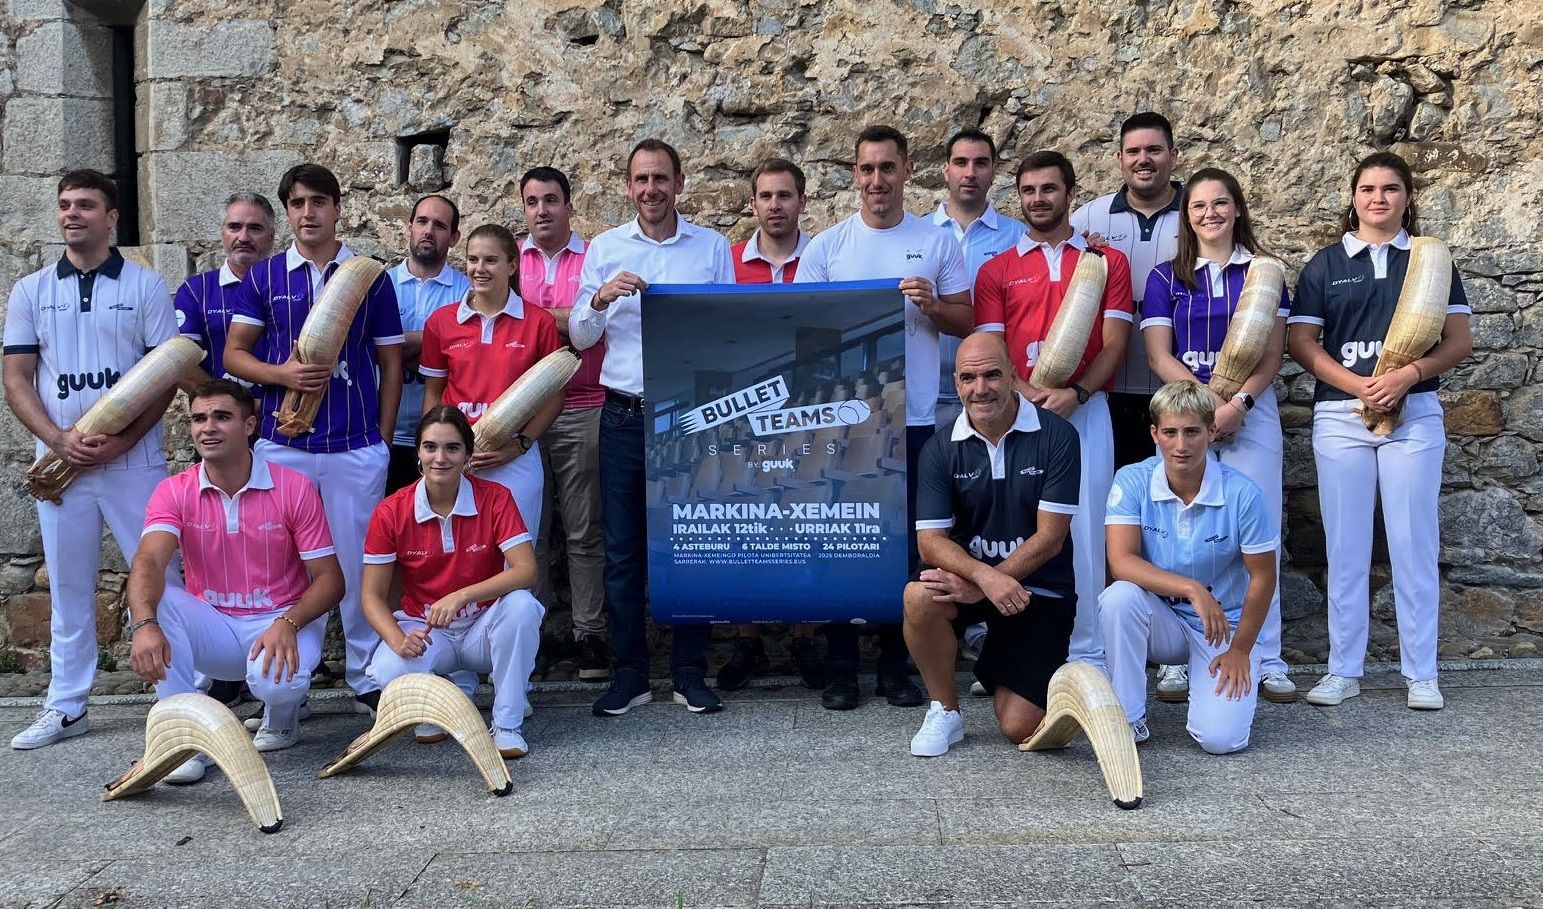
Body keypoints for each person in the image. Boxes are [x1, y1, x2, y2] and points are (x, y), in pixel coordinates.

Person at [794, 124, 972, 711]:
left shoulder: (938, 241)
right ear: (854, 175)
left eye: (888, 168)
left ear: (906, 170)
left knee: (911, 547)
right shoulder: (826, 248)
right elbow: (806, 342)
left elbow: (965, 321)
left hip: (917, 420)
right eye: (867, 169)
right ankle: (842, 665)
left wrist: (933, 305)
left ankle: (900, 666)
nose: (877, 180)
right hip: (845, 423)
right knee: (840, 540)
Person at [1287, 151, 1472, 711]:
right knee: (1346, 546)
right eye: (1368, 189)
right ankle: (1344, 670)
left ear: (1407, 198)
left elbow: (1459, 342)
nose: (1378, 198)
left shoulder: (1430, 260)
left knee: (1413, 540)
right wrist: (1359, 385)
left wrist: (1407, 376)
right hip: (1341, 417)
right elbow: (1302, 344)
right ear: (1353, 198)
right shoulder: (1324, 265)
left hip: (1413, 414)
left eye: (1391, 189)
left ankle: (1422, 673)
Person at [4, 169, 179, 750]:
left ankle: (178, 705)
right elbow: (16, 378)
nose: (71, 214)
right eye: (63, 205)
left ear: (112, 217)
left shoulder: (146, 287)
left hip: (135, 463)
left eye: (85, 205)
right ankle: (67, 705)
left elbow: (165, 378)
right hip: (61, 467)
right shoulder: (30, 291)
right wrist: (56, 439)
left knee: (160, 579)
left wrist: (125, 441)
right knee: (70, 587)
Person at [223, 162, 404, 714]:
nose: (308, 213)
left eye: (319, 203)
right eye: (298, 203)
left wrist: (384, 437)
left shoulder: (369, 275)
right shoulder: (264, 277)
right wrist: (283, 376)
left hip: (354, 445)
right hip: (285, 447)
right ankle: (287, 685)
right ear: (288, 212)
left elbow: (391, 362)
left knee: (355, 564)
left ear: (336, 209)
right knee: (288, 567)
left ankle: (364, 677)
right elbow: (234, 355)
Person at [569, 138, 736, 716]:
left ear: (679, 183)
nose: (650, 190)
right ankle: (631, 674)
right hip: (623, 414)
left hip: (690, 416)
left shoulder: (712, 248)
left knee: (693, 545)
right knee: (622, 552)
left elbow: (728, 334)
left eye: (660, 178)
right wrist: (601, 295)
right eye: (640, 179)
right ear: (628, 186)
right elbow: (580, 336)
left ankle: (690, 671)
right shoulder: (606, 248)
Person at [125, 381, 343, 778]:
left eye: (222, 417)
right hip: (217, 624)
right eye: (198, 419)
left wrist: (288, 623)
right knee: (162, 600)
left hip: (281, 620)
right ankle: (184, 741)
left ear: (249, 425)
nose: (208, 427)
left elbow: (330, 580)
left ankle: (283, 718)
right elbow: (148, 563)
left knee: (275, 686)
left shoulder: (292, 486)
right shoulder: (174, 490)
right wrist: (144, 625)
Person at [1141, 168, 1297, 704]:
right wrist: (1206, 406)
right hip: (1188, 414)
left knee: (1258, 533)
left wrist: (1239, 404)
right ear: (1186, 216)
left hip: (1251, 415)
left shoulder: (1264, 272)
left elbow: (1274, 354)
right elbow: (1160, 354)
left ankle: (1266, 655)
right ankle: (1177, 661)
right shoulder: (1165, 277)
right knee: (1173, 531)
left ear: (1237, 209)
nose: (1210, 214)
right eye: (1199, 206)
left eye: (1221, 203)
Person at [974, 150, 1134, 668]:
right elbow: (992, 346)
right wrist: (1025, 394)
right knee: (1015, 533)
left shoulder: (1106, 261)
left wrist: (1078, 394)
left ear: (1070, 194)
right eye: (1028, 190)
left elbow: (1115, 344)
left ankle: (1088, 651)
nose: (1038, 199)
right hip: (1015, 413)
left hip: (1084, 412)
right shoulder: (995, 269)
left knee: (1085, 532)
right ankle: (1010, 653)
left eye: (1049, 189)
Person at [902, 333, 1079, 756]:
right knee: (919, 596)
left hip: (1037, 589)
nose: (980, 389)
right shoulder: (939, 448)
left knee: (1023, 729)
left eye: (992, 375)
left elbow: (1051, 538)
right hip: (971, 582)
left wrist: (985, 584)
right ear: (957, 383)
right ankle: (945, 711)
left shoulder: (1057, 436)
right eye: (968, 378)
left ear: (1015, 376)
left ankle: (998, 661)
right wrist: (982, 579)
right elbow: (930, 542)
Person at [1071, 112, 1191, 698]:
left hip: (1177, 393)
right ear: (1119, 158)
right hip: (1114, 391)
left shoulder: (1199, 210)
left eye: (1154, 150)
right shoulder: (1090, 217)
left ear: (1172, 154)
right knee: (1119, 516)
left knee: (1171, 518)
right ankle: (1118, 637)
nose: (1143, 160)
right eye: (1132, 152)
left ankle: (1175, 647)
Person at [1100, 381, 1277, 752]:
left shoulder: (1243, 493)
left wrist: (1240, 650)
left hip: (1222, 626)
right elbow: (1121, 562)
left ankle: (1217, 676)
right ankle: (1128, 720)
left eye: (1193, 431)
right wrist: (1191, 588)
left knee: (1221, 740)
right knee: (1119, 598)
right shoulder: (1132, 480)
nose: (1181, 445)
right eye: (1170, 432)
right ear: (1155, 434)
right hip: (1161, 616)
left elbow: (1264, 576)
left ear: (1212, 431)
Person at [362, 406, 545, 758]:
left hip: (483, 627)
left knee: (522, 606)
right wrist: (397, 639)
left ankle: (507, 725)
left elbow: (526, 571)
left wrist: (462, 595)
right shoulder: (390, 511)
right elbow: (371, 596)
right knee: (386, 670)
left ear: (468, 455)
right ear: (417, 452)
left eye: (452, 448)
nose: (440, 458)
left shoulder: (495, 497)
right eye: (430, 447)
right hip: (428, 630)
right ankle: (442, 702)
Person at [716, 157, 824, 692]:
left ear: (803, 201)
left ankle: (806, 638)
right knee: (744, 522)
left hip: (809, 407)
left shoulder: (825, 258)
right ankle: (748, 639)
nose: (776, 206)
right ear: (752, 204)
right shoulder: (729, 262)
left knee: (804, 523)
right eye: (766, 196)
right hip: (744, 410)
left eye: (786, 195)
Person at [517, 166, 610, 683]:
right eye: (532, 201)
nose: (542, 210)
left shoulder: (593, 257)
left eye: (551, 200)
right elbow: (514, 320)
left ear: (569, 206)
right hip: (523, 411)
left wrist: (542, 316)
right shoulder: (512, 260)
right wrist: (563, 316)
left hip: (583, 404)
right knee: (529, 532)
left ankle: (589, 635)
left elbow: (591, 331)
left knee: (583, 529)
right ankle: (529, 635)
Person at [421, 224, 562, 546]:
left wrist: (521, 445)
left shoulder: (539, 323)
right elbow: (433, 391)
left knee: (515, 560)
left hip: (513, 459)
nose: (478, 269)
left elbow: (554, 398)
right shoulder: (441, 323)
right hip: (455, 457)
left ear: (512, 265)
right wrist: (432, 448)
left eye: (490, 260)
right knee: (456, 556)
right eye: (472, 260)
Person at [930, 128, 1027, 430]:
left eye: (980, 163)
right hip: (926, 393)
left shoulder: (1020, 237)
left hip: (993, 396)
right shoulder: (918, 235)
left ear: (993, 171)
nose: (970, 173)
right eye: (961, 163)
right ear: (946, 170)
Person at [386, 194, 470, 493]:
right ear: (409, 227)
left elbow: (469, 354)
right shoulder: (381, 286)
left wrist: (397, 347)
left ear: (454, 237)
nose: (428, 231)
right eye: (421, 221)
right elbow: (367, 348)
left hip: (443, 445)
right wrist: (436, 343)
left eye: (439, 225)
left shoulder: (468, 292)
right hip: (385, 433)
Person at [174, 193, 278, 387]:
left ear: (271, 236)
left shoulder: (291, 285)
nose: (243, 237)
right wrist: (230, 404)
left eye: (255, 228)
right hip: (223, 415)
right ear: (222, 232)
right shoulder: (196, 291)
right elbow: (179, 363)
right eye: (234, 227)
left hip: (284, 413)